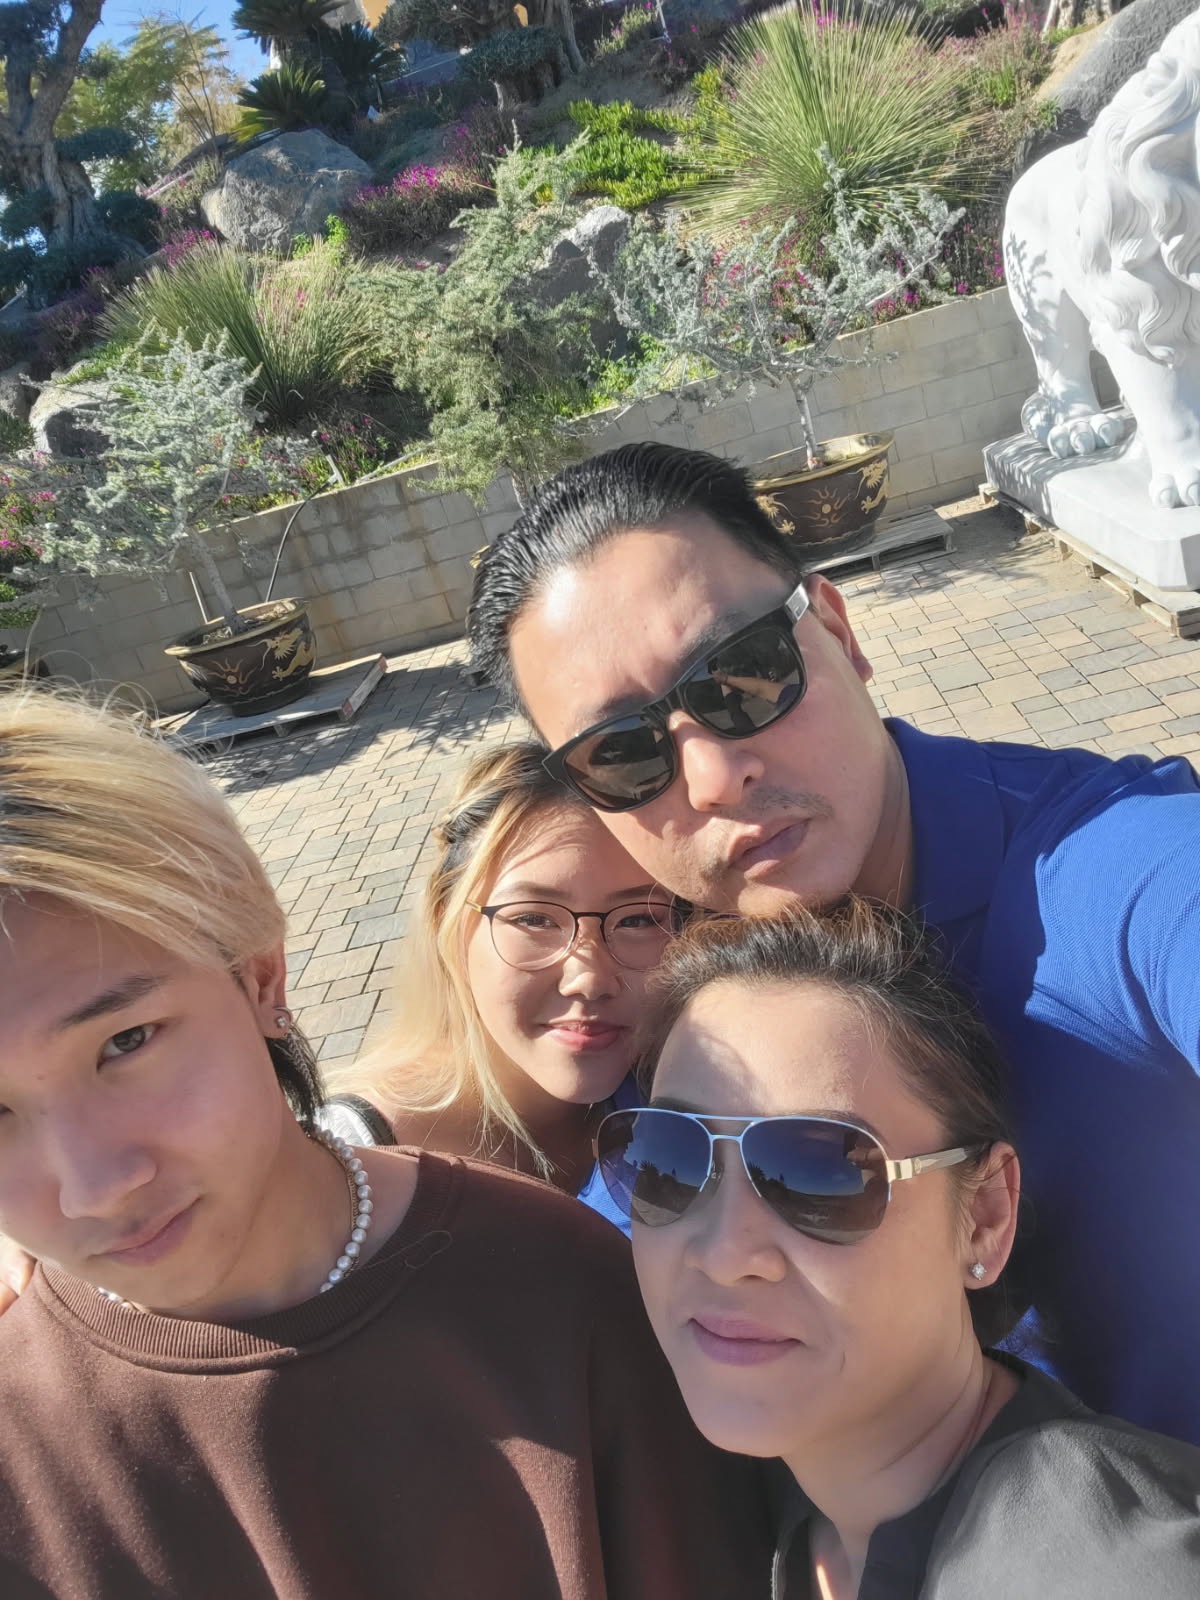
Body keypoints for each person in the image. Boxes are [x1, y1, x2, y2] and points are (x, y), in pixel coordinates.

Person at [467, 440, 1200, 1442]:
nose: (715, 776)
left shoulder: (1108, 874)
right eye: (623, 754)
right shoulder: (684, 1013)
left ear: (840, 634)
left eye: (744, 673)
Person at [0, 689, 772, 1599]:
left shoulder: (575, 1279)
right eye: (533, 918)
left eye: (126, 1042)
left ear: (262, 977)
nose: (93, 1186)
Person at [595, 902, 1200, 1598]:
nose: (725, 1253)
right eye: (669, 1157)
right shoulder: (735, 1511)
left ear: (984, 1217)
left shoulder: (1111, 1570)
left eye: (820, 1172)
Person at [322, 739, 679, 1230]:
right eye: (533, 919)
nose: (590, 979)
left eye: (637, 919)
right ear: (448, 925)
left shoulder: (685, 1089)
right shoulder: (349, 1170)